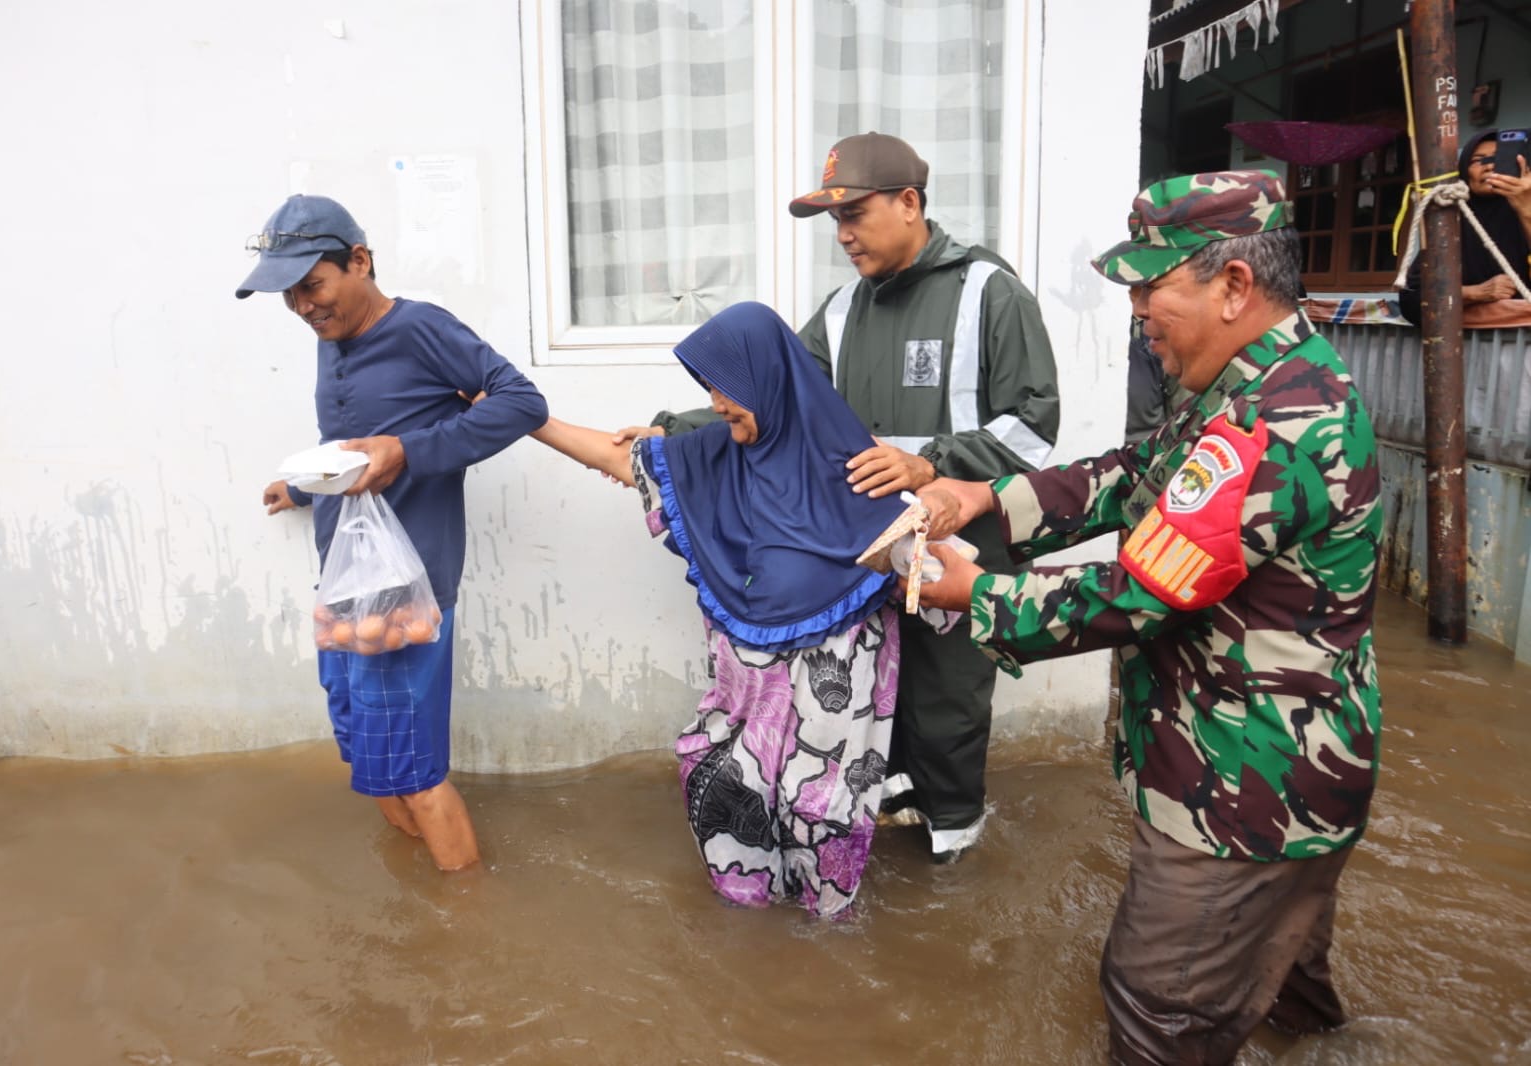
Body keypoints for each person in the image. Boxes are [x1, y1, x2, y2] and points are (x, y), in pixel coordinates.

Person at [912, 171, 1383, 1063]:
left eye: (1149, 286)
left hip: (1241, 794)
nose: (1136, 312)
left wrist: (974, 596)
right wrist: (987, 496)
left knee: (1155, 1013)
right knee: (1285, 1000)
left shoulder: (1273, 424)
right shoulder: (1255, 384)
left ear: (1233, 286)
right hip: (1291, 776)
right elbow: (1136, 472)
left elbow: (1138, 592)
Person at [617, 133, 1061, 863]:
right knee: (881, 698)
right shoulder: (839, 310)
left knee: (947, 705)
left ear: (910, 203)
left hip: (952, 546)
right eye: (834, 221)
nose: (843, 235)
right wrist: (670, 429)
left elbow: (1033, 430)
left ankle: (956, 858)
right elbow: (773, 393)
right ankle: (884, 837)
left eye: (855, 213)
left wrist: (928, 465)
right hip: (860, 557)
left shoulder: (989, 292)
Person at [526, 302, 907, 917]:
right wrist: (528, 416)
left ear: (771, 382)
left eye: (729, 389)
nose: (717, 401)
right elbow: (616, 458)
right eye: (709, 387)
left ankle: (824, 946)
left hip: (830, 706)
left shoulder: (863, 471)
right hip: (744, 693)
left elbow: (931, 557)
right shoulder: (710, 454)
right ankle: (751, 931)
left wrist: (932, 501)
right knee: (720, 781)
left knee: (817, 814)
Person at [240, 194, 548, 871]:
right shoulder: (332, 339)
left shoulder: (421, 329)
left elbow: (522, 403)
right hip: (347, 580)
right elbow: (348, 446)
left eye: (312, 286)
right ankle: (422, 899)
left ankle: (464, 934)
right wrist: (300, 487)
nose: (302, 307)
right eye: (289, 295)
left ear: (360, 261)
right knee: (365, 752)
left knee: (413, 769)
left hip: (410, 587)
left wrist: (408, 450)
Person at [1398, 127, 1531, 324]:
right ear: (1463, 172)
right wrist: (1475, 293)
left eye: (1499, 158)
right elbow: (1411, 301)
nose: (1489, 167)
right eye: (1478, 160)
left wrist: (1526, 209)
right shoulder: (1451, 221)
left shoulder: (1524, 211)